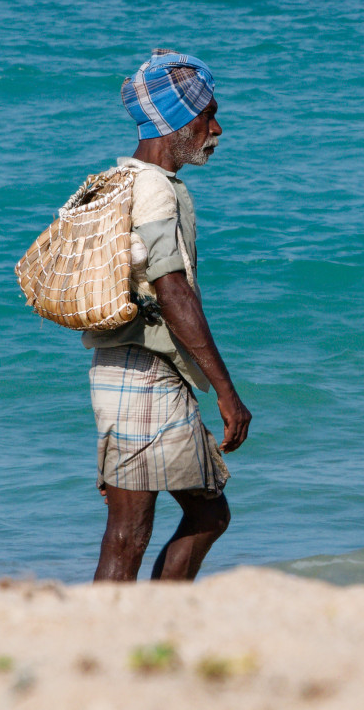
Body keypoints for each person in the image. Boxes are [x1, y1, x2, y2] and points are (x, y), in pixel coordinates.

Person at [84, 49, 252, 582]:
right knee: (130, 531)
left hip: (133, 373)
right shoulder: (155, 189)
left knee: (207, 512)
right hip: (144, 377)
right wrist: (227, 393)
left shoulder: (120, 179)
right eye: (208, 115)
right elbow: (172, 289)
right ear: (178, 120)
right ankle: (103, 643)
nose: (217, 129)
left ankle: (157, 625)